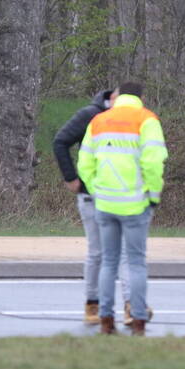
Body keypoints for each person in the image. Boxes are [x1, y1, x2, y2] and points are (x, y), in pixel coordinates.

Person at [76, 81, 167, 335]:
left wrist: (96, 191)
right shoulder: (147, 120)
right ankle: (138, 320)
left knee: (108, 262)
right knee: (136, 262)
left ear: (118, 96)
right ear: (141, 97)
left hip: (104, 203)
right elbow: (153, 162)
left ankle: (106, 321)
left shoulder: (99, 120)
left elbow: (84, 163)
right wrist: (153, 195)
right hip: (136, 204)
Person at [53, 89, 134, 325]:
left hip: (124, 196)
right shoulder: (90, 114)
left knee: (126, 254)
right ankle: (92, 304)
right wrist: (71, 178)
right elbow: (60, 142)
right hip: (93, 197)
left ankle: (131, 306)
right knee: (98, 252)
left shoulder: (133, 119)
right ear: (114, 97)